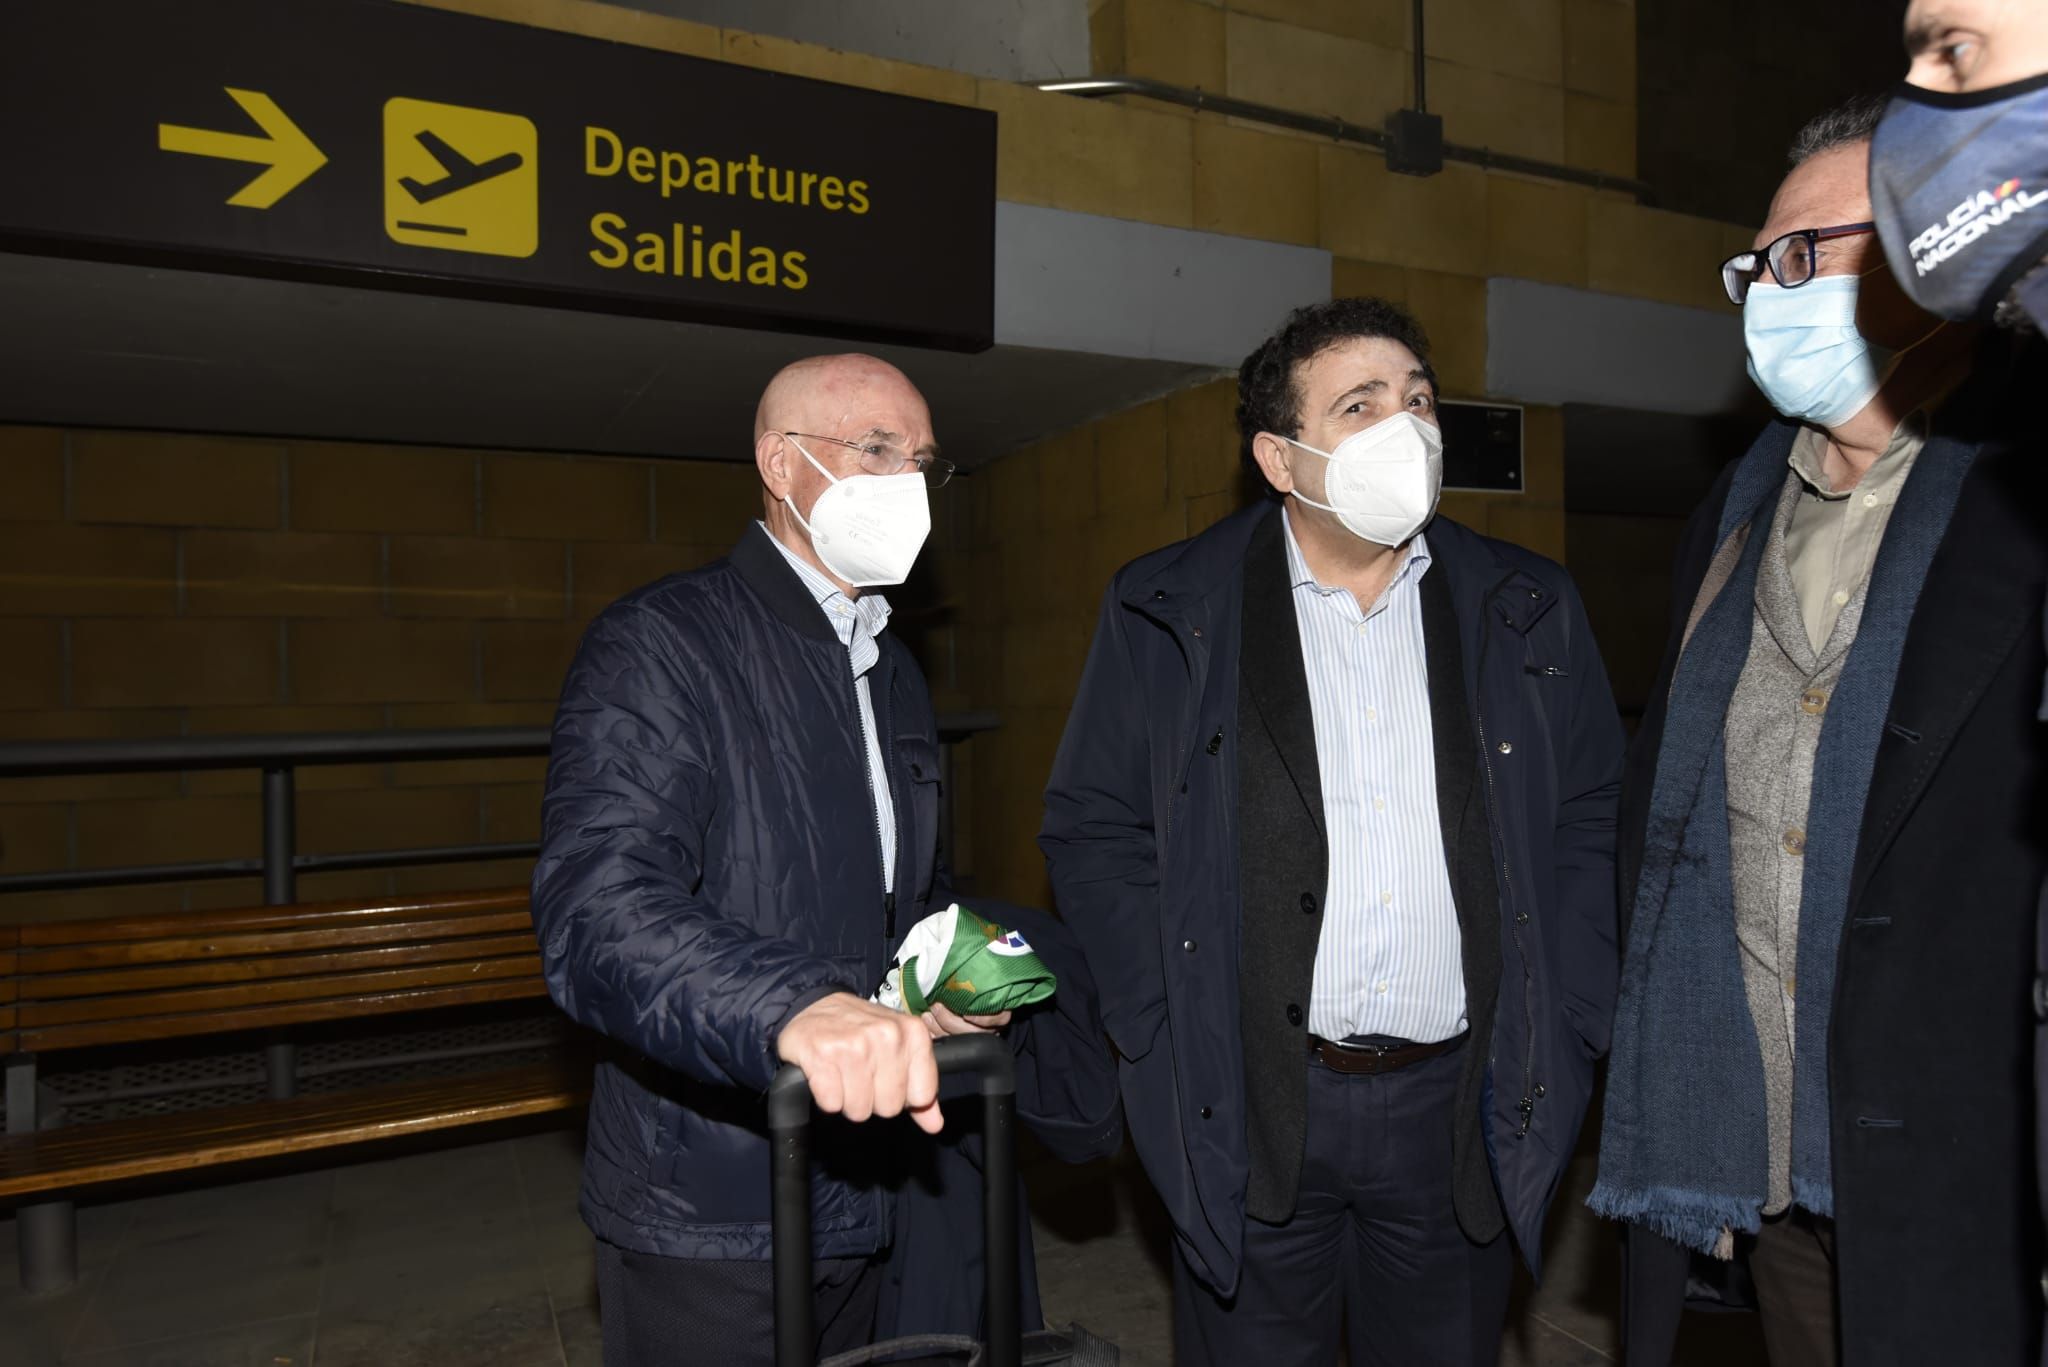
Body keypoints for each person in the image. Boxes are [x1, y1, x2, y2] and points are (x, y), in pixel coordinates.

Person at [1040, 296, 1625, 1366]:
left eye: (1418, 400)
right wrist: (1154, 1019)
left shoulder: (1526, 603)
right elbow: (1094, 823)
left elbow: (1589, 812)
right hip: (1250, 1101)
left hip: (1462, 1104)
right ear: (1280, 457)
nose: (1405, 427)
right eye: (1359, 405)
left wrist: (1577, 1007)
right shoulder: (1166, 605)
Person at [531, 354, 1117, 1367]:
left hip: (870, 1171)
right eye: (876, 449)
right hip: (710, 1199)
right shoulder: (661, 642)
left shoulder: (890, 666)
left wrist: (937, 985)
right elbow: (597, 908)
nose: (906, 483)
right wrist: (793, 1006)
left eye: (921, 461)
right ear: (779, 462)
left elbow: (902, 892)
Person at [1592, 97, 2048, 1366]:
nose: (1766, 293)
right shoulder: (1732, 518)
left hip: (1964, 1156)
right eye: (1755, 268)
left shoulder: (2021, 497)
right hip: (1771, 1157)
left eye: (1803, 253)